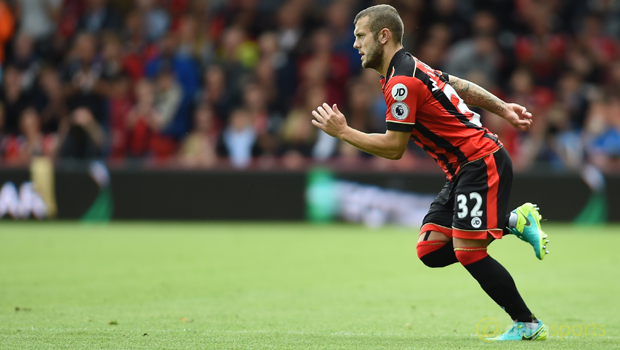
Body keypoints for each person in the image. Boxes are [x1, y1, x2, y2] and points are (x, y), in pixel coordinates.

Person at [311, 5, 549, 341]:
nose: (355, 44)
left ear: (383, 35)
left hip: (480, 162)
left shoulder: (402, 81)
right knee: (431, 250)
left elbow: (394, 148)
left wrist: (344, 133)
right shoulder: (407, 67)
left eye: (360, 36)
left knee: (469, 252)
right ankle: (511, 221)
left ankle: (527, 324)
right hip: (461, 171)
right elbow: (457, 85)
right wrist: (503, 108)